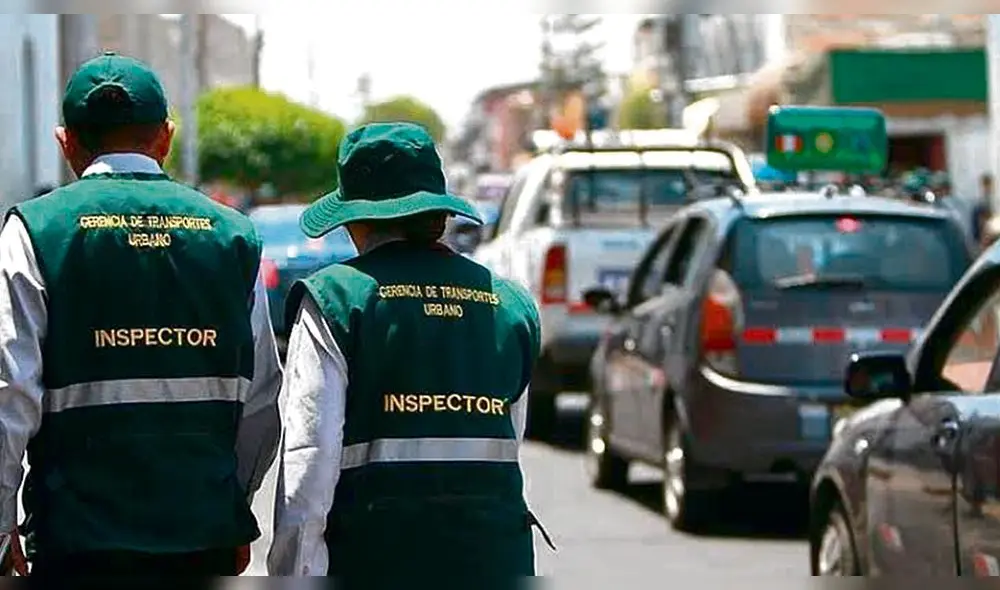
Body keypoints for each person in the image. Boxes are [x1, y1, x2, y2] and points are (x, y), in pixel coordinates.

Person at [0, 52, 282, 576]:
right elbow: (262, 394)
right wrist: (230, 505)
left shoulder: (34, 231)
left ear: (67, 143)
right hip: (201, 538)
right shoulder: (233, 237)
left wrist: (1, 524)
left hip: (78, 542)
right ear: (167, 137)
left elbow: (9, 392)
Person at [268, 122, 551, 578]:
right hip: (496, 563)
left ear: (356, 222)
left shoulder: (336, 300)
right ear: (438, 216)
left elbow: (307, 470)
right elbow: (506, 445)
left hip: (379, 563)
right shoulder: (511, 306)